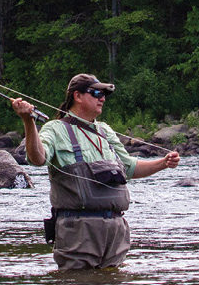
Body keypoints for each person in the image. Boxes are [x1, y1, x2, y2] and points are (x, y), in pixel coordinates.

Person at [11, 73, 180, 270]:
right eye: (96, 92)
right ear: (77, 96)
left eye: (104, 94)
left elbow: (130, 168)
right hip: (78, 231)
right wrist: (28, 121)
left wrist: (163, 163)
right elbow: (37, 158)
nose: (102, 98)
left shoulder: (105, 131)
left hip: (115, 231)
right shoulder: (55, 129)